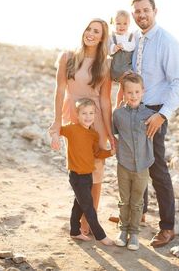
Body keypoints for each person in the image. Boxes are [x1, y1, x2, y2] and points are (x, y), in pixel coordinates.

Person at [131, 0, 179, 247]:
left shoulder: (167, 42)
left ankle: (167, 227)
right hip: (137, 108)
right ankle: (139, 213)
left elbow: (178, 84)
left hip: (156, 112)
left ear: (155, 11)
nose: (141, 15)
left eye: (146, 10)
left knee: (157, 169)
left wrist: (162, 115)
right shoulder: (137, 39)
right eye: (137, 11)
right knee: (137, 164)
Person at [49, 18, 114, 235]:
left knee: (95, 172)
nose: (91, 34)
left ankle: (88, 224)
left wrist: (110, 131)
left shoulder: (105, 64)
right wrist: (58, 121)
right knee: (79, 170)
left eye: (97, 31)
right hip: (75, 117)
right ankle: (78, 221)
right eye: (89, 29)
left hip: (95, 119)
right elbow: (59, 90)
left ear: (102, 38)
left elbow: (105, 101)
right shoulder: (67, 57)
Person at [50, 98, 115, 245]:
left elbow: (97, 153)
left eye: (91, 113)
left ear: (95, 115)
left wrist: (111, 152)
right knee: (88, 206)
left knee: (78, 205)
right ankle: (100, 235)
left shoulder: (93, 135)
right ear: (77, 115)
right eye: (84, 113)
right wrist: (54, 137)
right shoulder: (71, 129)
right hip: (76, 176)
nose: (88, 117)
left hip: (88, 176)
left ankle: (74, 231)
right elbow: (55, 129)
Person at [113, 73, 155, 251]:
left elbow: (155, 133)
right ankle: (123, 230)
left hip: (142, 165)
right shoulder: (118, 114)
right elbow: (114, 134)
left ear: (142, 92)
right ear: (123, 93)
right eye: (129, 92)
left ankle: (135, 233)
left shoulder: (150, 115)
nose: (133, 95)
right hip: (124, 163)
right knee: (124, 200)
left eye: (137, 91)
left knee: (137, 202)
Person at [109, 10, 135, 108]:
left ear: (129, 24)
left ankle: (119, 105)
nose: (121, 26)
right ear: (113, 23)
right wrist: (113, 48)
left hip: (125, 68)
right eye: (118, 23)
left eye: (125, 23)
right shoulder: (111, 37)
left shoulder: (130, 36)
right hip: (114, 68)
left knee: (123, 87)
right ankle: (110, 103)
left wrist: (123, 45)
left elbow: (132, 46)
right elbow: (107, 49)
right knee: (108, 87)